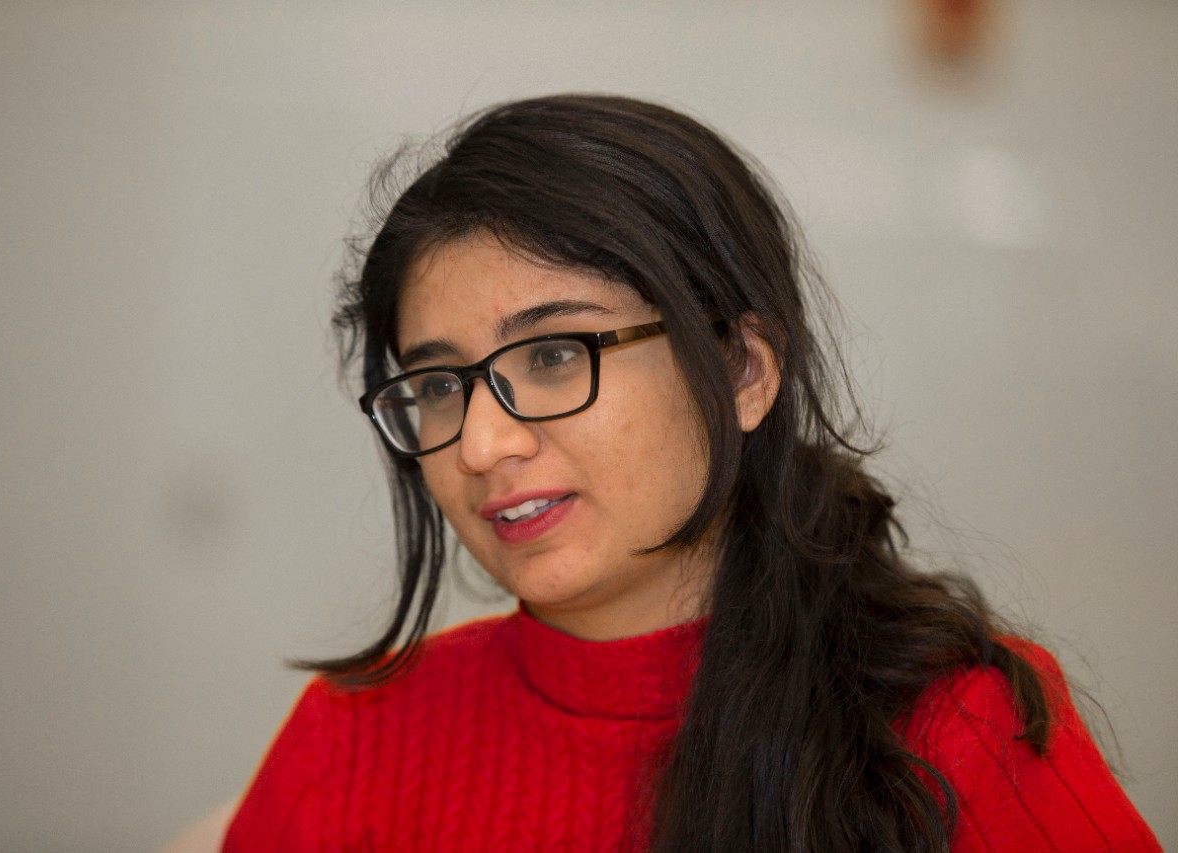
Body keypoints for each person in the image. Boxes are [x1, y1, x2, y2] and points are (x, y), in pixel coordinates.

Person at [222, 94, 1159, 851]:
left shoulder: (956, 729)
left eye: (551, 355)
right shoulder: (351, 742)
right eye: (437, 384)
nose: (481, 444)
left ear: (743, 370)